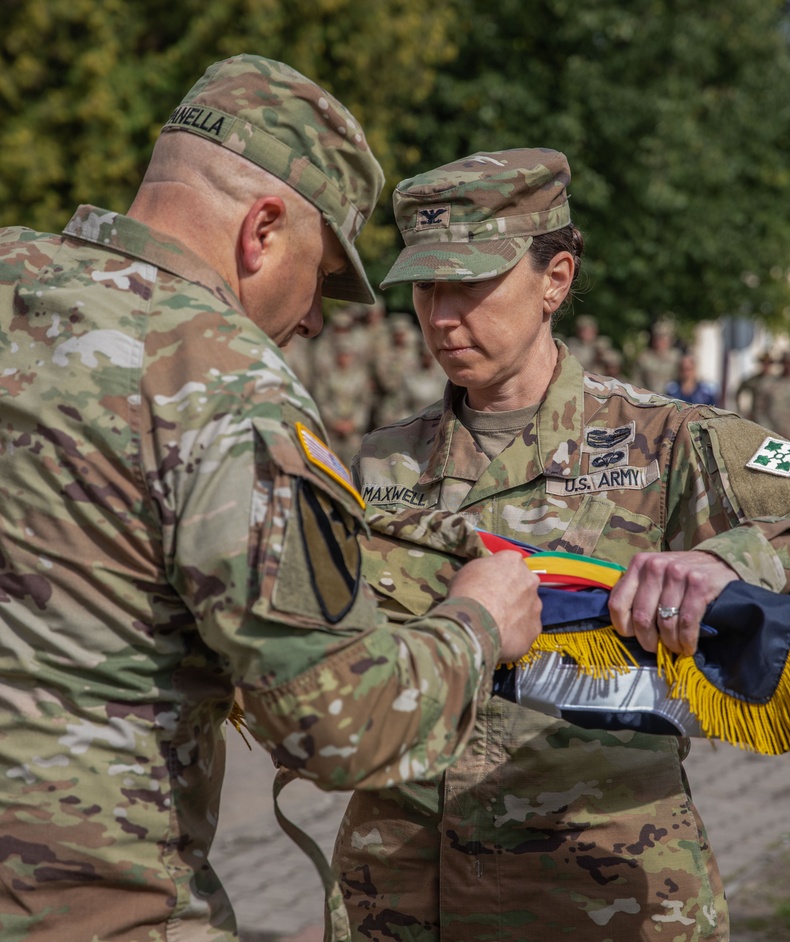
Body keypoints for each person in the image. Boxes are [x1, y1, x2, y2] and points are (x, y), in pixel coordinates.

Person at [0, 55, 543, 942]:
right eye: (324, 275)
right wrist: (478, 624)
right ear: (262, 230)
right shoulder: (222, 378)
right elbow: (338, 727)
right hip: (89, 906)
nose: (316, 321)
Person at [334, 148, 790, 941]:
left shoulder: (670, 442)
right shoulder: (374, 462)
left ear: (556, 279)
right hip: (397, 894)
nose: (440, 316)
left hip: (599, 894)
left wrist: (726, 562)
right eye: (426, 287)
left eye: (470, 285)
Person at [634, 316, 681, 392]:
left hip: (673, 400)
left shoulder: (677, 357)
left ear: (670, 339)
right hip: (648, 399)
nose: (660, 341)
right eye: (657, 338)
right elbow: (636, 381)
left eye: (663, 338)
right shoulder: (644, 357)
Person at [734, 349, 774, 423]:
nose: (766, 366)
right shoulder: (754, 380)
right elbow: (739, 390)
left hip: (772, 419)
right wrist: (741, 411)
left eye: (768, 363)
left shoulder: (776, 381)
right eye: (764, 363)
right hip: (756, 418)